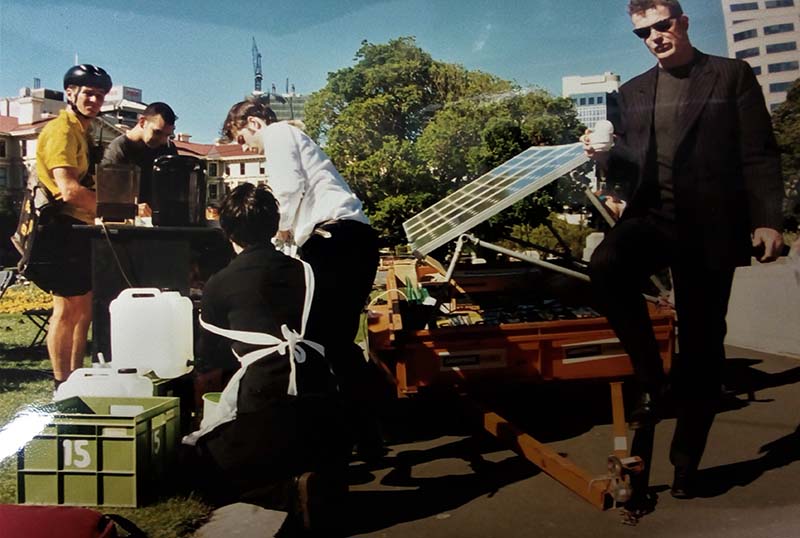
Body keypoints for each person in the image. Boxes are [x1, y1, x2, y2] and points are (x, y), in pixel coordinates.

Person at [582, 0, 784, 499]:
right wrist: (604, 158)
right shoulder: (631, 93)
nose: (654, 37)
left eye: (662, 25)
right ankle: (653, 381)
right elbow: (627, 176)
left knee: (703, 344)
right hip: (653, 217)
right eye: (643, 33)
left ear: (683, 22)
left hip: (711, 225)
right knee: (605, 267)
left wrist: (766, 221)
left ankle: (686, 462)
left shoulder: (731, 76)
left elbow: (758, 152)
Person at [221, 99, 383, 459]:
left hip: (333, 240)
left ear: (252, 122)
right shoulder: (297, 139)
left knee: (318, 338)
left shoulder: (278, 133)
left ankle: (340, 433)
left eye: (240, 136)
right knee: (337, 340)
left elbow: (287, 188)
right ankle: (366, 432)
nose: (244, 147)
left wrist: (271, 235)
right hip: (352, 239)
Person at [183, 183, 347, 534]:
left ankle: (286, 492)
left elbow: (209, 370)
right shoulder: (309, 273)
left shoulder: (218, 284)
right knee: (297, 436)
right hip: (321, 399)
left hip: (264, 395)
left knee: (199, 462)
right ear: (274, 227)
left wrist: (201, 422)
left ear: (225, 230)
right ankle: (317, 473)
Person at [33, 64, 112, 388]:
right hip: (58, 229)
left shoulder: (81, 130)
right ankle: (61, 383)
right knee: (66, 310)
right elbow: (67, 189)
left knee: (83, 308)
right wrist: (113, 208)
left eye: (100, 95)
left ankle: (77, 377)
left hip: (77, 228)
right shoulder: (61, 130)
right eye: (88, 93)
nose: (94, 100)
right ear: (70, 93)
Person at [100, 101, 178, 214]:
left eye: (167, 135)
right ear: (142, 122)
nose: (162, 140)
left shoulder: (168, 148)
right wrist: (133, 208)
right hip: (130, 223)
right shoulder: (118, 150)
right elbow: (107, 198)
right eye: (157, 132)